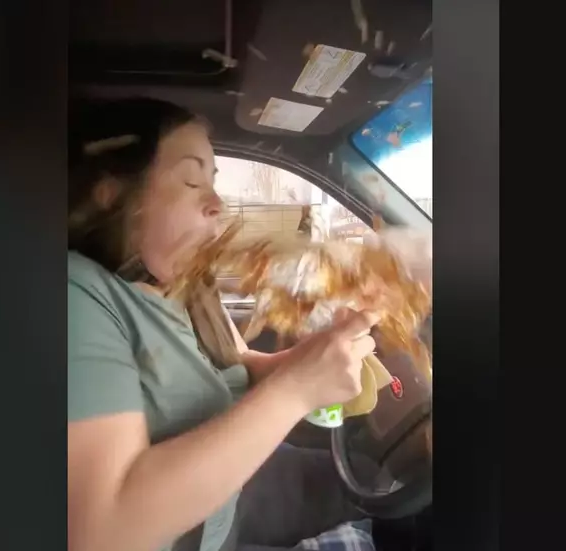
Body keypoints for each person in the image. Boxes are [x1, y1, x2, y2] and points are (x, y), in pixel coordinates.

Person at [67, 97, 379, 551]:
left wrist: (308, 360)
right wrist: (296, 389)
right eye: (192, 180)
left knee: (376, 483)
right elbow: (102, 530)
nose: (217, 203)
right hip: (198, 526)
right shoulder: (75, 296)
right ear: (112, 193)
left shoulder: (181, 280)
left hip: (226, 502)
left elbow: (240, 363)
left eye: (212, 181)